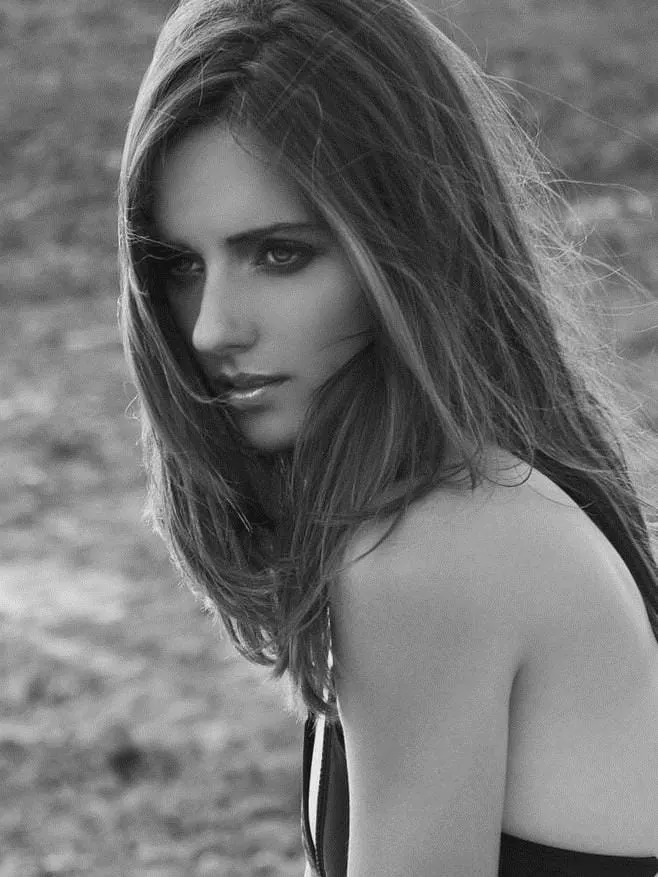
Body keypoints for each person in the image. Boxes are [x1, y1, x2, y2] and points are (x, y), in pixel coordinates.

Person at [117, 0, 658, 874]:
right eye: (181, 265)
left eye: (280, 254)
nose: (212, 328)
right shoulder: (491, 498)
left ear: (406, 248)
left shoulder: (434, 549)